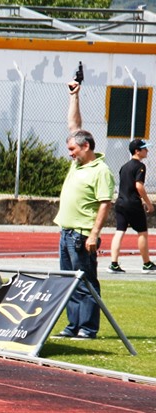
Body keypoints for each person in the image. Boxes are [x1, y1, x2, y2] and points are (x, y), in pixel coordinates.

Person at [54, 80, 115, 340]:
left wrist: (93, 234)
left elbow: (105, 204)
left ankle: (88, 328)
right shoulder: (78, 164)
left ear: (86, 147)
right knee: (69, 281)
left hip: (82, 235)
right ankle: (72, 325)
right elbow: (74, 127)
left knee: (85, 282)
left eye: (72, 149)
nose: (69, 154)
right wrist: (74, 96)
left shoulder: (101, 170)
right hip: (66, 232)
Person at [108, 138, 154, 274]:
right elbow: (139, 186)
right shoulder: (140, 166)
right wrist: (148, 203)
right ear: (137, 151)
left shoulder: (124, 166)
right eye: (145, 148)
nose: (147, 150)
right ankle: (146, 264)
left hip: (120, 203)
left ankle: (114, 264)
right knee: (142, 233)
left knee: (119, 232)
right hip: (133, 204)